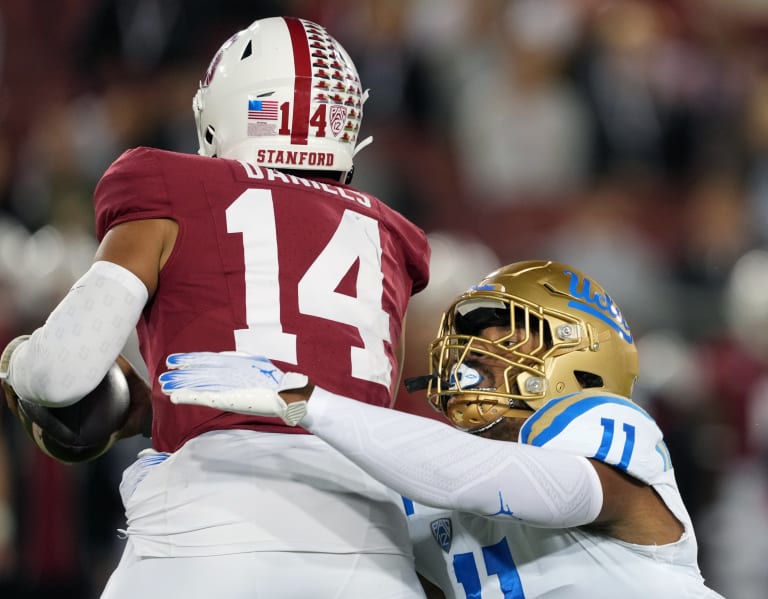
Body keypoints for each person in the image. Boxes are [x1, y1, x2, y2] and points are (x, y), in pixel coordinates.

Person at [0, 16, 430, 599]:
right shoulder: (390, 239)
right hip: (369, 556)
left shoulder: (167, 186)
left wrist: (18, 361)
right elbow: (330, 408)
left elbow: (62, 373)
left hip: (209, 537)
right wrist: (155, 409)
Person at [163, 260, 725, 598]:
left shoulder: (602, 420)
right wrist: (174, 432)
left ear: (584, 356)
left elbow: (525, 485)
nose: (477, 355)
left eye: (509, 335)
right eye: (475, 337)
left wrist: (311, 403)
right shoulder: (434, 472)